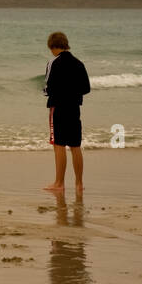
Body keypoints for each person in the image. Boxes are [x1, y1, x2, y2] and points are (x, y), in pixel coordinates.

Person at [42, 31, 89, 194]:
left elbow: (47, 89)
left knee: (59, 145)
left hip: (58, 108)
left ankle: (59, 183)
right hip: (74, 108)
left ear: (53, 46)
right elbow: (86, 88)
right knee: (75, 146)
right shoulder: (79, 63)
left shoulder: (53, 63)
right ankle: (79, 183)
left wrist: (56, 92)